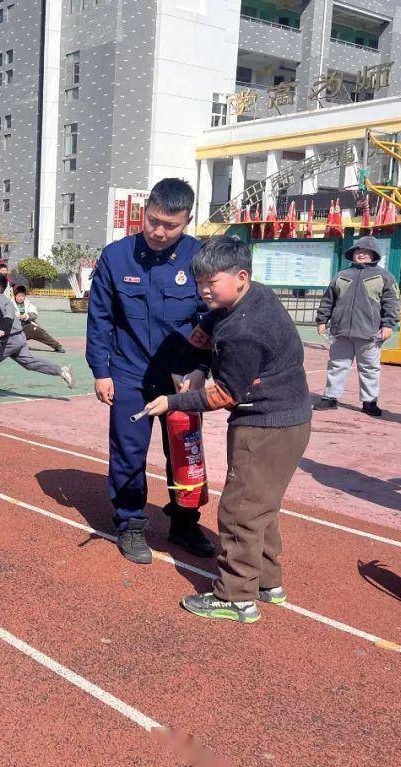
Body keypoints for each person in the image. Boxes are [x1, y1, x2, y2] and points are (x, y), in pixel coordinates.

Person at [142, 236, 311, 623]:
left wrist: (174, 401)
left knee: (240, 509)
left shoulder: (245, 329)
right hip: (290, 418)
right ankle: (268, 581)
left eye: (210, 283)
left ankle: (236, 597)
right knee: (262, 504)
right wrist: (196, 369)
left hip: (266, 424)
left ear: (241, 276)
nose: (203, 291)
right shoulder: (243, 300)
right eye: (199, 281)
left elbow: (227, 395)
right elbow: (202, 338)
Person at [86, 178, 213, 564]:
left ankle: (185, 520)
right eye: (153, 220)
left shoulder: (200, 257)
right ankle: (131, 523)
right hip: (128, 373)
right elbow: (101, 318)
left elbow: (213, 315)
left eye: (170, 225)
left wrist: (203, 369)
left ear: (187, 221)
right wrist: (101, 370)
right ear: (145, 213)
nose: (159, 231)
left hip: (182, 376)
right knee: (128, 451)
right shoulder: (116, 256)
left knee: (185, 452)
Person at [313, 236, 400, 417]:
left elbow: (392, 303)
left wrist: (388, 325)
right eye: (358, 252)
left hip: (369, 333)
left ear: (374, 255)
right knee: (337, 365)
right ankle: (330, 397)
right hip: (341, 331)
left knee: (369, 367)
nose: (361, 255)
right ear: (352, 254)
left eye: (366, 252)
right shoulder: (341, 276)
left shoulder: (384, 277)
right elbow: (328, 300)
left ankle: (369, 402)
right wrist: (322, 320)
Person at [0, 275, 74, 404]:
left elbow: (8, 317)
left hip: (10, 339)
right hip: (18, 337)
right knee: (29, 363)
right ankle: (61, 370)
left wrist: (4, 330)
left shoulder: (1, 300)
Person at [13, 285, 65, 352]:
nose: (21, 298)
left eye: (23, 296)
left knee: (39, 331)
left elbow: (34, 314)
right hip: (15, 329)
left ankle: (56, 346)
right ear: (15, 296)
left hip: (27, 326)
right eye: (19, 296)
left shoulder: (28, 303)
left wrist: (26, 316)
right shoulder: (10, 304)